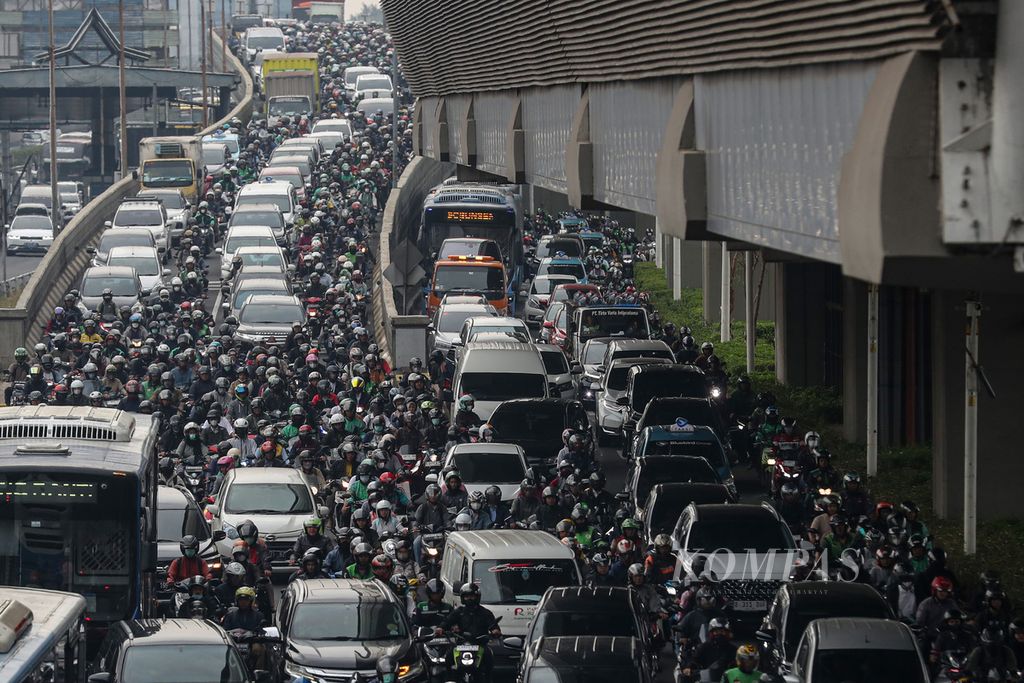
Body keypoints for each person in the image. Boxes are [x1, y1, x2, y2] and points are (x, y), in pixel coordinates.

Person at [436, 583, 501, 678]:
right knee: (448, 657)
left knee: (489, 656)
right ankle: (450, 678)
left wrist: (495, 631)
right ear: (462, 598)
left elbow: (493, 626)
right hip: (461, 644)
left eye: (472, 596)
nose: (469, 599)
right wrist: (440, 628)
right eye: (466, 597)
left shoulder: (485, 613)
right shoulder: (459, 612)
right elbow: (447, 621)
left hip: (480, 644)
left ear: (477, 597)